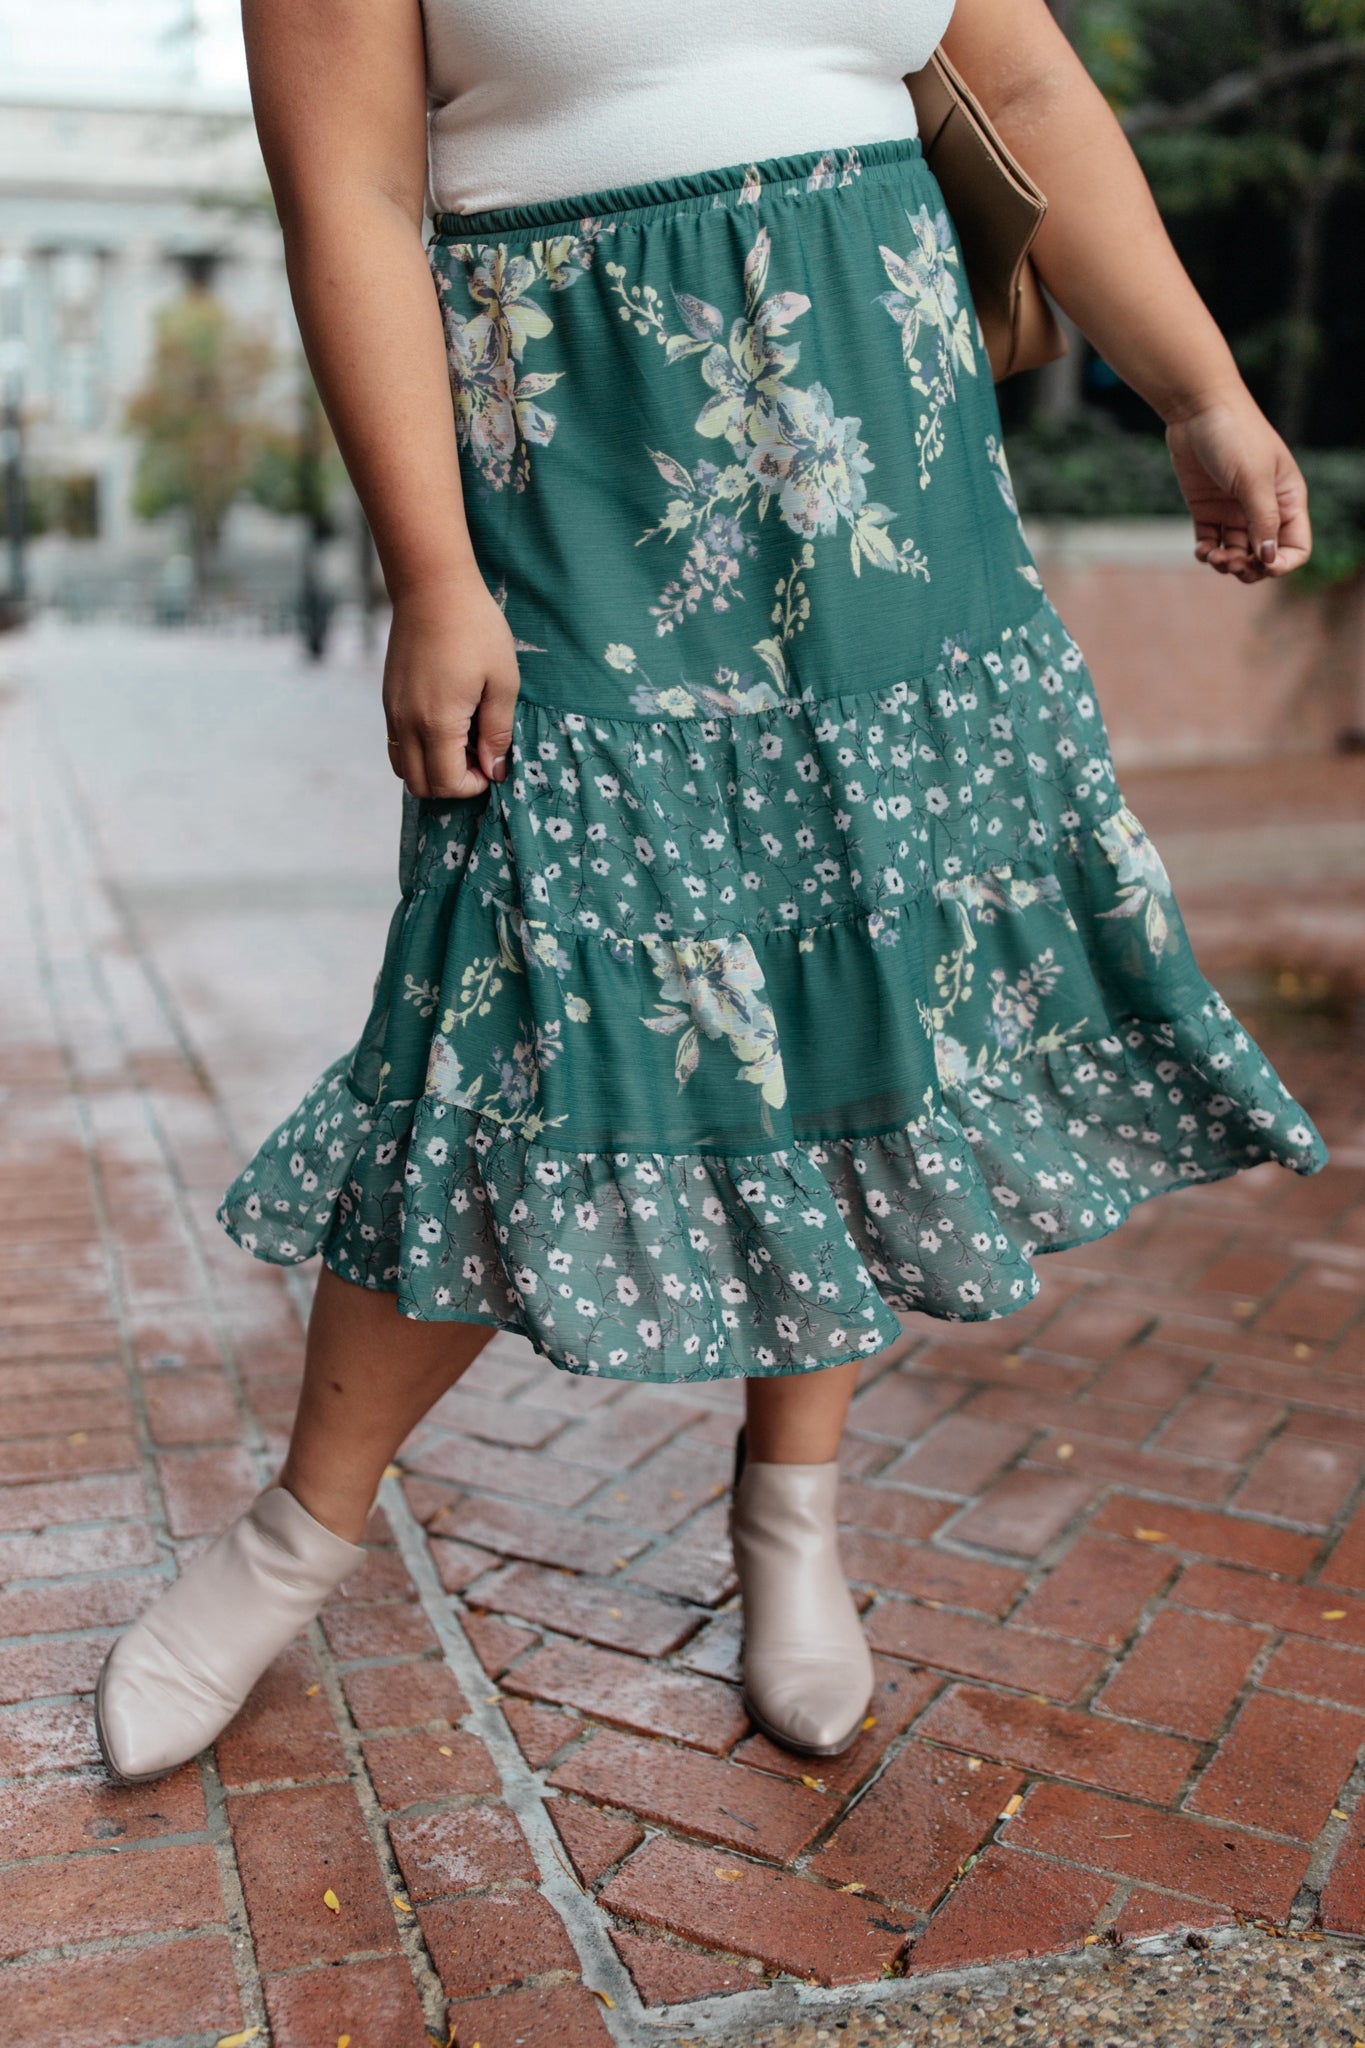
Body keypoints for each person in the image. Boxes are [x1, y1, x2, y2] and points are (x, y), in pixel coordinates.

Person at [95, 0, 1327, 1784]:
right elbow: (352, 195)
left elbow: (1025, 83)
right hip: (580, 485)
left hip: (889, 480)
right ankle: (297, 1536)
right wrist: (430, 573)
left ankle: (793, 1516)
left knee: (856, 991)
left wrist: (1200, 388)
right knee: (508, 1026)